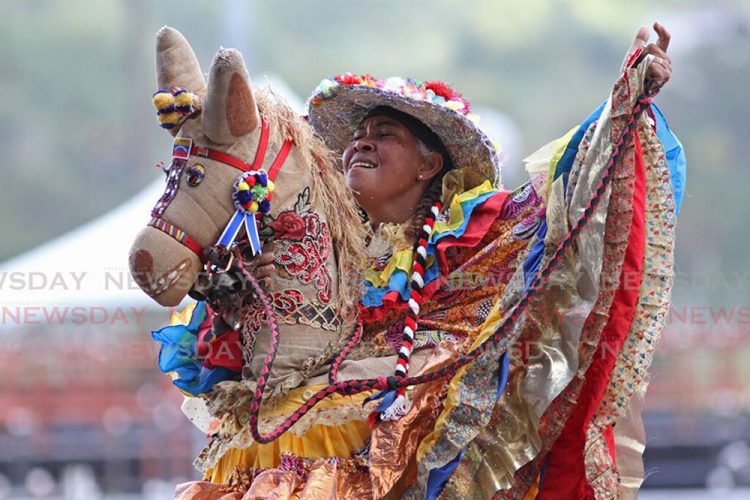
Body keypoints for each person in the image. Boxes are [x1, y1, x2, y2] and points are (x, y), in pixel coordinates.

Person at [174, 22, 684, 499]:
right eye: (357, 136)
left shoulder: (474, 231)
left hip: (413, 437)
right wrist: (240, 298)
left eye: (385, 134)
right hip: (289, 441)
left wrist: (625, 103)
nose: (361, 143)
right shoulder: (303, 236)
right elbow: (241, 355)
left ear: (429, 164)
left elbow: (567, 207)